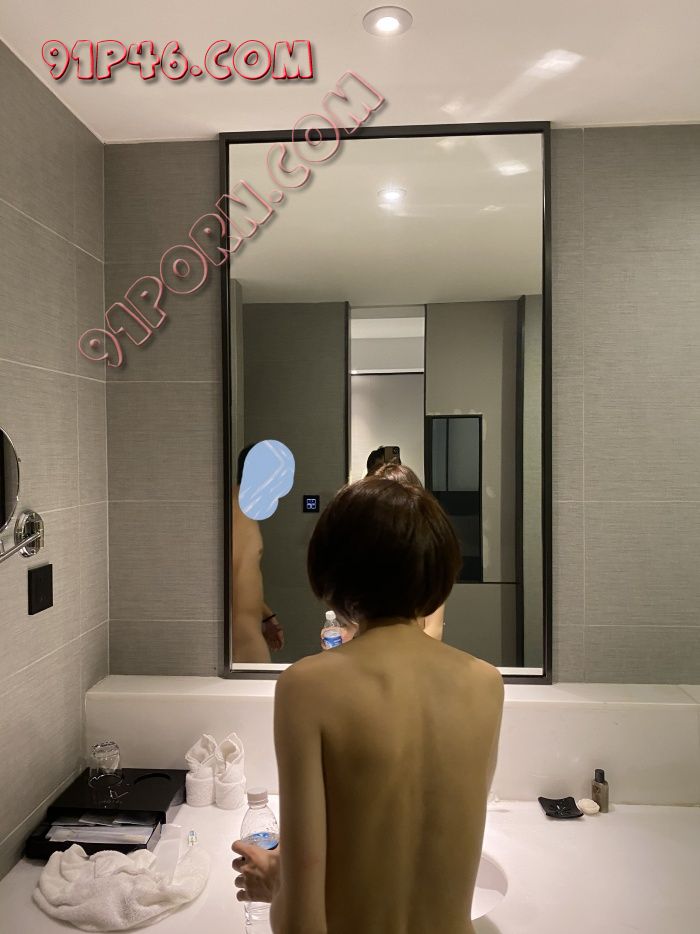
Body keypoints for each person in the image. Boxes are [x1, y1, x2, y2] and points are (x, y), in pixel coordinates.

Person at [232, 476, 504, 934]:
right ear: (438, 573)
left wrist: (279, 883)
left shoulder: (308, 686)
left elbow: (300, 923)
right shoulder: (486, 683)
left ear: (331, 573)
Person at [232, 445, 284, 663]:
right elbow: (225, 582)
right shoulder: (236, 514)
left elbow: (241, 577)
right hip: (243, 643)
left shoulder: (243, 512)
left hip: (248, 634)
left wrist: (265, 614)